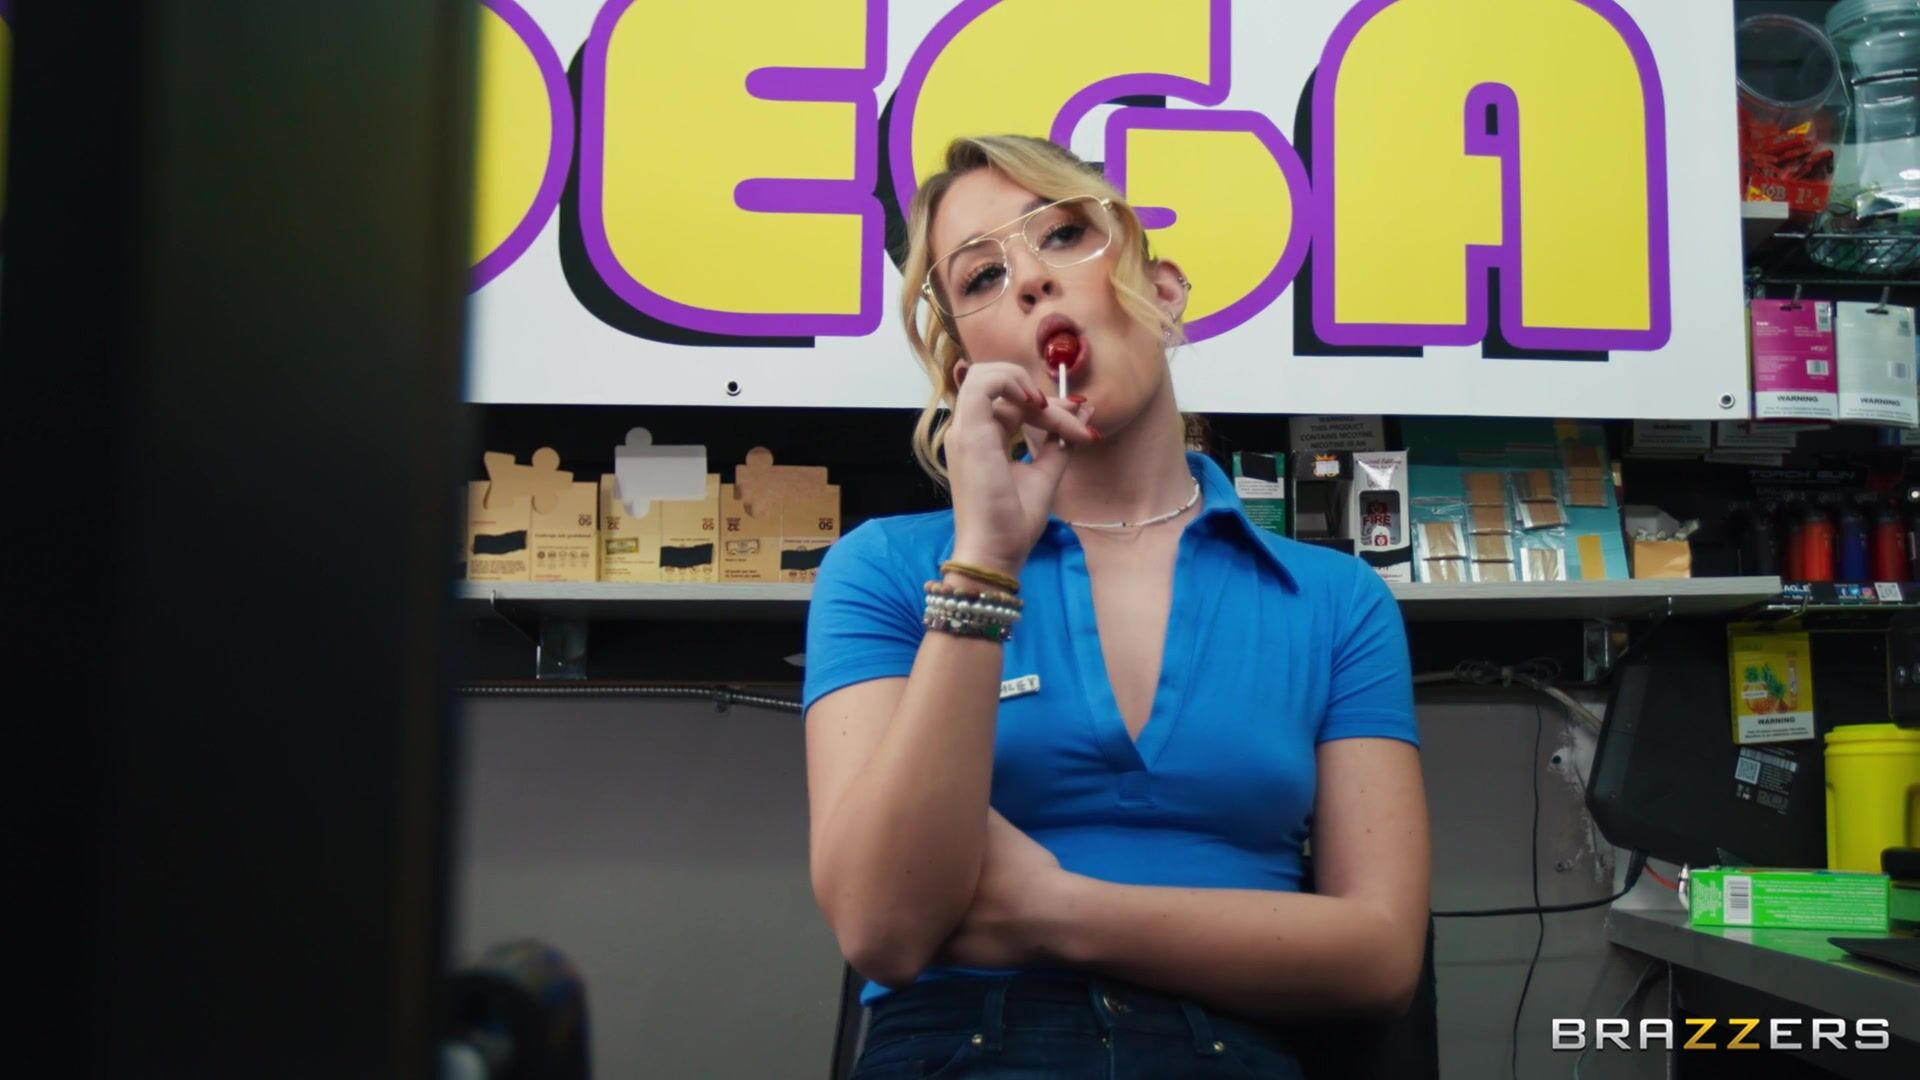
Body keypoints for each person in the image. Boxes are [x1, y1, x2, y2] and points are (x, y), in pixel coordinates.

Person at [803, 134, 1430, 1079]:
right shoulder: (885, 570)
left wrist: (1052, 908)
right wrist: (985, 564)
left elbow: (1379, 960)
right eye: (981, 277)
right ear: (967, 367)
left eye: (1061, 234)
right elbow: (885, 930)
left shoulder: (1337, 602)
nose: (1030, 281)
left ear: (1163, 294)